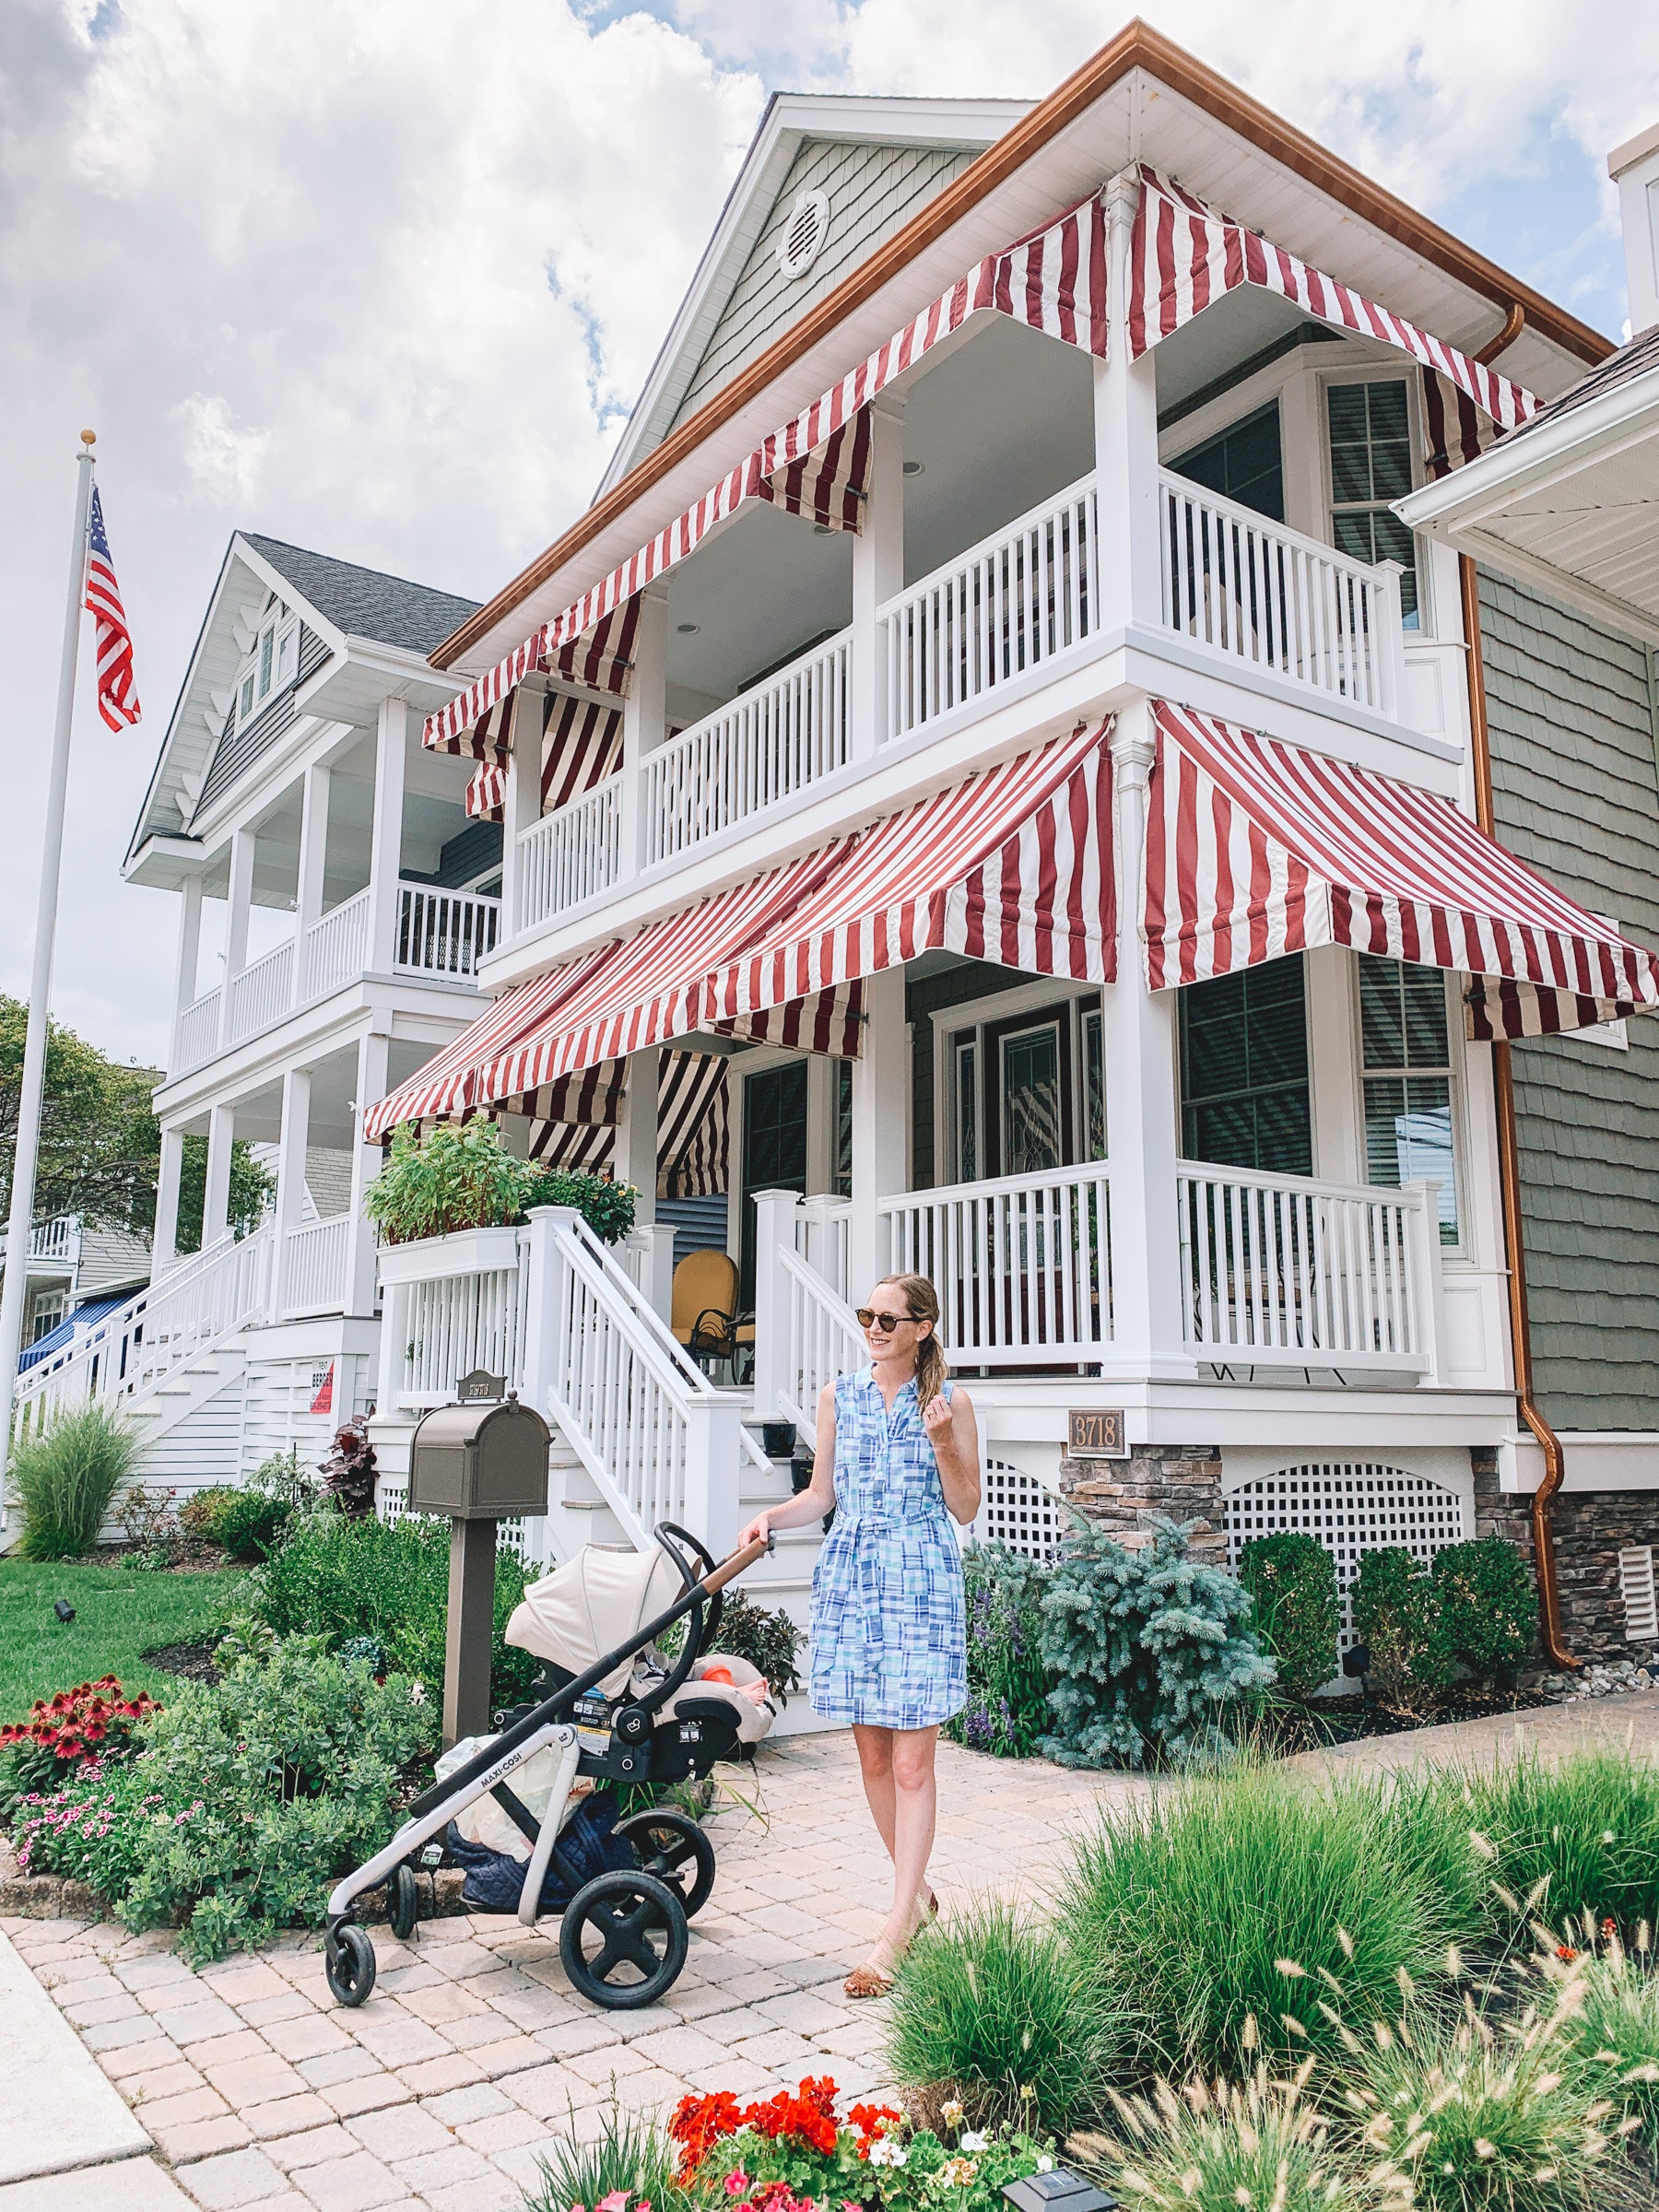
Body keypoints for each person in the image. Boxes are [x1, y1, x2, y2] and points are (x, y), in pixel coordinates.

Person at [736, 1272, 979, 1996]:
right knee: (872, 1759)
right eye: (867, 1314)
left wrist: (942, 1444)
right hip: (853, 1575)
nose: (873, 1327)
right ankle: (920, 1901)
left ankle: (893, 1932)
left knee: (913, 1766)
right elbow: (822, 1493)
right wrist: (770, 1520)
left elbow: (965, 1508)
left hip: (921, 1577)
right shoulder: (837, 1396)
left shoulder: (950, 1403)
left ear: (921, 1329)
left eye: (888, 1318)